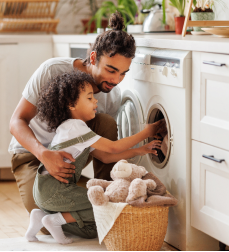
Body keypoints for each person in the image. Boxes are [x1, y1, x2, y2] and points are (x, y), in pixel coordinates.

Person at [9, 12, 138, 221]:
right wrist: (44, 154)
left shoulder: (111, 95)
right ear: (94, 57)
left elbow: (102, 150)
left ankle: (108, 195)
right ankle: (96, 209)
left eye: (123, 73)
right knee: (43, 218)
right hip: (31, 154)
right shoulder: (52, 70)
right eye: (111, 70)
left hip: (71, 156)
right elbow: (16, 121)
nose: (116, 80)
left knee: (105, 122)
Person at [24, 71, 163, 244]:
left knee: (90, 231)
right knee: (104, 205)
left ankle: (41, 216)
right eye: (89, 98)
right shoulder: (77, 128)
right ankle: (54, 220)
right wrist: (146, 132)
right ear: (71, 105)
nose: (95, 101)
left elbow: (105, 157)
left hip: (43, 190)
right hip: (55, 191)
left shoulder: (69, 128)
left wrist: (141, 150)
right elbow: (113, 147)